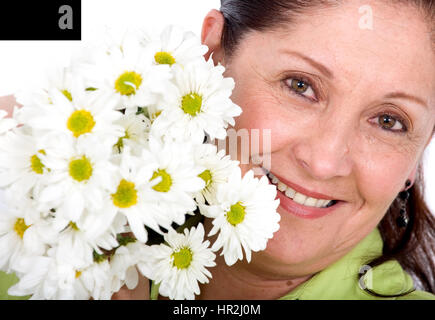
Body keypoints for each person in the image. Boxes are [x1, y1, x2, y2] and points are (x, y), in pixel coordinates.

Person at [1, 0, 435, 300]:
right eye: (300, 86)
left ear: (419, 153)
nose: (323, 161)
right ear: (211, 54)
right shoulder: (25, 221)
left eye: (389, 121)